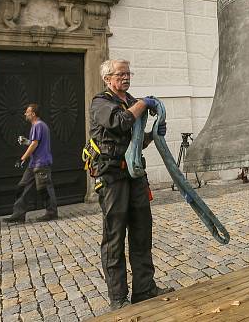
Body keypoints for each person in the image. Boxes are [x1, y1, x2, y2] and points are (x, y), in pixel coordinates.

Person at [89, 59, 171, 310]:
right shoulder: (100, 103)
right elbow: (120, 122)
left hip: (134, 176)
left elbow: (135, 140)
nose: (126, 77)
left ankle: (145, 289)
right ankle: (118, 299)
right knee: (114, 237)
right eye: (120, 74)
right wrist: (144, 104)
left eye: (128, 73)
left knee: (141, 231)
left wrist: (151, 134)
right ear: (107, 79)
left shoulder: (131, 101)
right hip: (111, 177)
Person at [4, 104, 57, 223]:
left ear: (33, 114)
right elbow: (34, 142)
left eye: (27, 112)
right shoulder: (38, 126)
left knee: (45, 189)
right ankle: (18, 214)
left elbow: (35, 144)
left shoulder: (38, 125)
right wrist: (26, 141)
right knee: (22, 187)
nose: (25, 114)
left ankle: (51, 213)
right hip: (34, 164)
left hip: (41, 163)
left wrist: (22, 158)